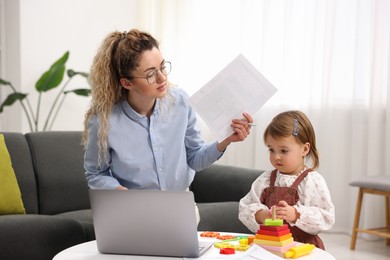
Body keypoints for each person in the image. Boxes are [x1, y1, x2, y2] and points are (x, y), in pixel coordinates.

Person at [83, 28, 253, 194]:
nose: (162, 78)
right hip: (133, 208)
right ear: (127, 83)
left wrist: (225, 139)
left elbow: (195, 158)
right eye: (150, 74)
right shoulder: (104, 122)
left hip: (179, 204)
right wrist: (121, 193)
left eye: (162, 67)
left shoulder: (180, 102)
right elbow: (96, 173)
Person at [238, 110, 335, 249]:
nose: (276, 156)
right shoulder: (265, 179)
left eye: (283, 151)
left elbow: (326, 218)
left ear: (305, 149)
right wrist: (262, 215)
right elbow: (245, 208)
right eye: (271, 150)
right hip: (269, 244)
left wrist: (296, 214)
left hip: (302, 248)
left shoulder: (312, 181)